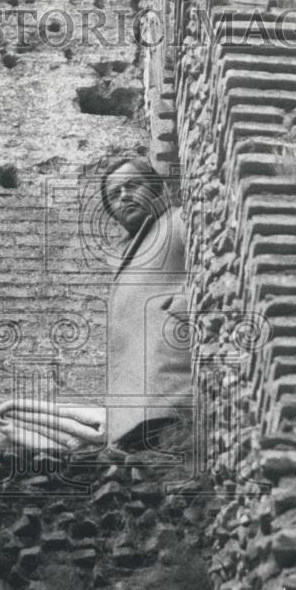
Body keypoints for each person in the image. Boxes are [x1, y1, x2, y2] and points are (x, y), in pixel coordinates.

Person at [102, 155, 192, 450]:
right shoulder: (123, 254)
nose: (124, 196)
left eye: (132, 186)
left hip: (172, 384)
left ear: (155, 189)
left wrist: (177, 310)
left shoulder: (180, 219)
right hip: (134, 407)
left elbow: (216, 269)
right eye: (114, 194)